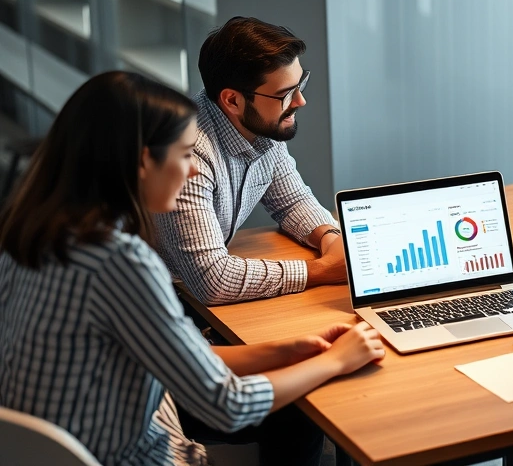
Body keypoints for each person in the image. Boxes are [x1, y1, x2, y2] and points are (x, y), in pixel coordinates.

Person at [0, 71, 386, 466]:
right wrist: (335, 361)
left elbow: (185, 355)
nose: (195, 171)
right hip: (135, 455)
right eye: (184, 155)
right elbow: (228, 404)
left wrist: (295, 348)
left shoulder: (31, 233)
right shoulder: (121, 262)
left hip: (48, 451)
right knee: (304, 410)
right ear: (144, 161)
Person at [154, 17, 345, 305]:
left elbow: (291, 200)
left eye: (300, 84)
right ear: (232, 100)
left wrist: (330, 238)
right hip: (158, 298)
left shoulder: (260, 126)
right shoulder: (187, 155)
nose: (300, 101)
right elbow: (213, 280)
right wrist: (322, 270)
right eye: (285, 94)